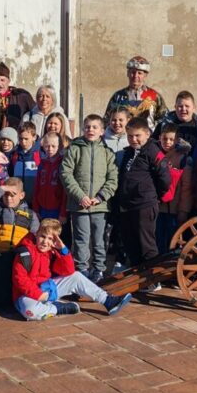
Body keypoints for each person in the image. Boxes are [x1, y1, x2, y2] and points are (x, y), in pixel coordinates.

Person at [12, 219, 132, 320]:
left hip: (48, 290)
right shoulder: (25, 252)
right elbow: (20, 279)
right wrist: (38, 295)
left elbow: (68, 271)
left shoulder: (52, 251)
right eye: (42, 236)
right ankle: (58, 308)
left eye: (50, 239)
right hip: (26, 295)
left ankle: (108, 300)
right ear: (36, 234)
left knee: (76, 276)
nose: (45, 242)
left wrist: (63, 250)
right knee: (30, 312)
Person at [60, 114, 118, 283]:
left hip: (100, 206)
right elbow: (65, 173)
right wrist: (80, 196)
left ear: (102, 131)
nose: (90, 130)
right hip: (79, 205)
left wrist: (100, 197)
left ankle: (99, 269)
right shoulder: (75, 149)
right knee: (81, 240)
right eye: (87, 127)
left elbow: (113, 178)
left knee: (99, 240)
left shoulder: (107, 152)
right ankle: (82, 270)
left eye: (94, 127)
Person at [116, 117, 171, 265]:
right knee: (130, 242)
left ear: (147, 134)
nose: (133, 139)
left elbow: (165, 178)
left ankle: (152, 279)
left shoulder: (153, 151)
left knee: (146, 244)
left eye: (137, 136)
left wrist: (152, 195)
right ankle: (137, 275)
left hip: (144, 204)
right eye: (130, 136)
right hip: (128, 205)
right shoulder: (129, 152)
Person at [0, 178, 40, 305]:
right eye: (6, 195)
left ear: (22, 195)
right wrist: (2, 188)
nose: (8, 198)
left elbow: (35, 236)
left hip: (18, 258)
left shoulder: (30, 215)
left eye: (12, 195)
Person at [155, 123, 194, 255]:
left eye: (171, 139)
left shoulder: (183, 159)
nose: (167, 142)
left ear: (177, 140)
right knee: (158, 239)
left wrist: (183, 210)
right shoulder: (155, 155)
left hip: (174, 209)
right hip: (158, 208)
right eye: (165, 139)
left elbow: (186, 188)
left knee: (172, 240)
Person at [104, 55, 167, 128]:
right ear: (128, 73)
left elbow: (164, 119)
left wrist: (154, 130)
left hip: (149, 137)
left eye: (139, 73)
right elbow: (107, 120)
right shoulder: (118, 96)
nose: (135, 76)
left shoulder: (154, 95)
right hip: (125, 137)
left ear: (145, 75)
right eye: (133, 72)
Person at [32, 132, 66, 221]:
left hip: (56, 208)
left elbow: (65, 191)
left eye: (53, 146)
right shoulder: (42, 164)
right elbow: (37, 187)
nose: (50, 149)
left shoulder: (63, 164)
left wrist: (63, 213)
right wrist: (36, 208)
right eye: (47, 146)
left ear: (60, 147)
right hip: (42, 207)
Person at [9, 122, 41, 204]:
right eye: (20, 139)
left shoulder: (40, 154)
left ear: (34, 137)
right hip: (18, 201)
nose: (23, 142)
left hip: (36, 200)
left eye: (26, 139)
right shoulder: (14, 155)